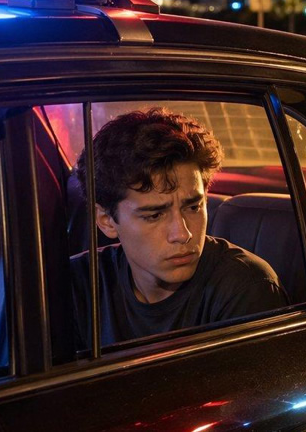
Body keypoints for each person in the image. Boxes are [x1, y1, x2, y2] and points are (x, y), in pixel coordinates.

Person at [70, 109, 288, 347]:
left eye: (193, 207)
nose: (182, 234)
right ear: (106, 220)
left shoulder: (245, 289)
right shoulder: (79, 283)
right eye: (154, 215)